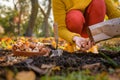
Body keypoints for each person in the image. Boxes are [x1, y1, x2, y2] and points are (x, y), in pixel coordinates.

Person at [52, 0, 120, 51]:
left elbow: (114, 14)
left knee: (99, 2)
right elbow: (60, 29)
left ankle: (92, 42)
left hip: (91, 29)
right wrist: (75, 38)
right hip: (74, 31)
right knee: (74, 17)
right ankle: (74, 46)